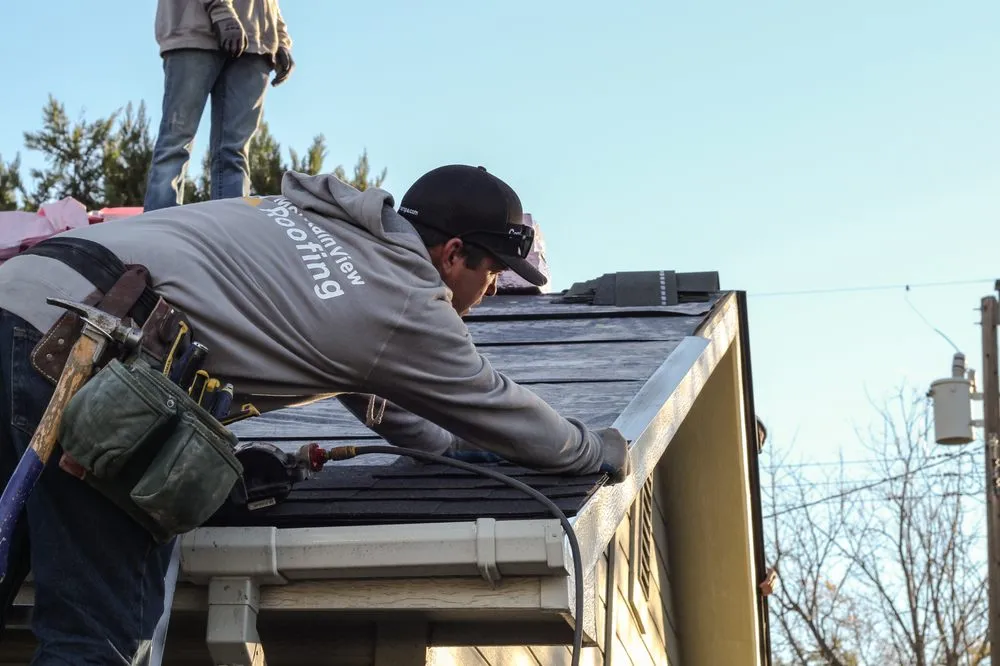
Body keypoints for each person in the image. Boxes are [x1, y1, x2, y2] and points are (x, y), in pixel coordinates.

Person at [0, 164, 630, 662]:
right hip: (87, 356)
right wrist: (593, 449)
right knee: (102, 635)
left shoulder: (321, 223)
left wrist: (442, 449)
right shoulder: (407, 300)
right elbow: (498, 407)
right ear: (453, 254)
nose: (490, 290)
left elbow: (379, 395)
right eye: (491, 270)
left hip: (21, 300)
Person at [144, 0, 295, 212]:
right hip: (196, 28)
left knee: (234, 151)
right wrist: (221, 11)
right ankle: (159, 228)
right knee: (176, 141)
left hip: (256, 42)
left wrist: (280, 38)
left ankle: (230, 229)